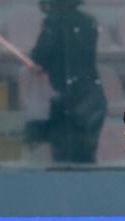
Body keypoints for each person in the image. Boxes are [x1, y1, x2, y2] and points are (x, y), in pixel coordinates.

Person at [25, 0, 107, 163]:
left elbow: (40, 56)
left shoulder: (54, 24)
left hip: (70, 102)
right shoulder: (88, 22)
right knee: (85, 159)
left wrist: (37, 62)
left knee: (66, 162)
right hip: (92, 98)